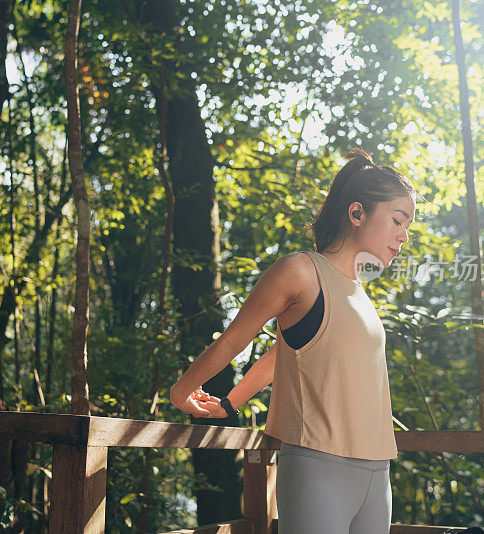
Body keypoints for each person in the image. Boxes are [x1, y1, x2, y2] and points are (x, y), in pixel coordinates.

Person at [169, 148, 423, 534]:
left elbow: (287, 352)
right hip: (319, 466)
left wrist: (230, 401)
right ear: (356, 214)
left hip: (377, 472)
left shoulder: (358, 291)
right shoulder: (299, 271)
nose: (404, 237)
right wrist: (181, 391)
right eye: (398, 221)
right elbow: (232, 341)